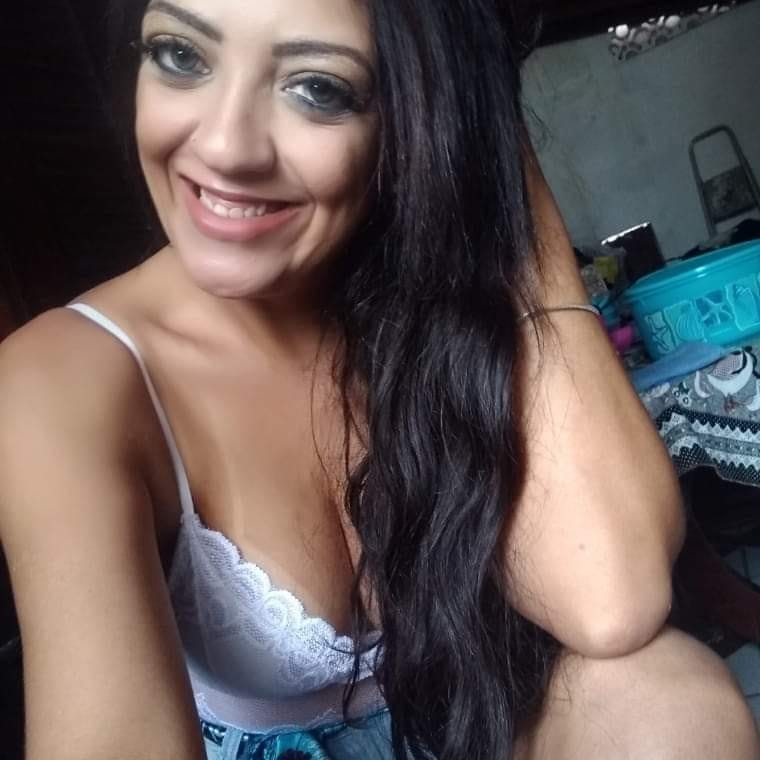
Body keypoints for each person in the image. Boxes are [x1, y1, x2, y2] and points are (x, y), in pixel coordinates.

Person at [0, 1, 756, 758]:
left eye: (317, 88)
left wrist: (488, 154)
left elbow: (612, 598)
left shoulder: (429, 306)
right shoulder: (63, 382)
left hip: (471, 730)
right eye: (181, 56)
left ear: (415, 116)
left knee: (670, 707)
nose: (225, 147)